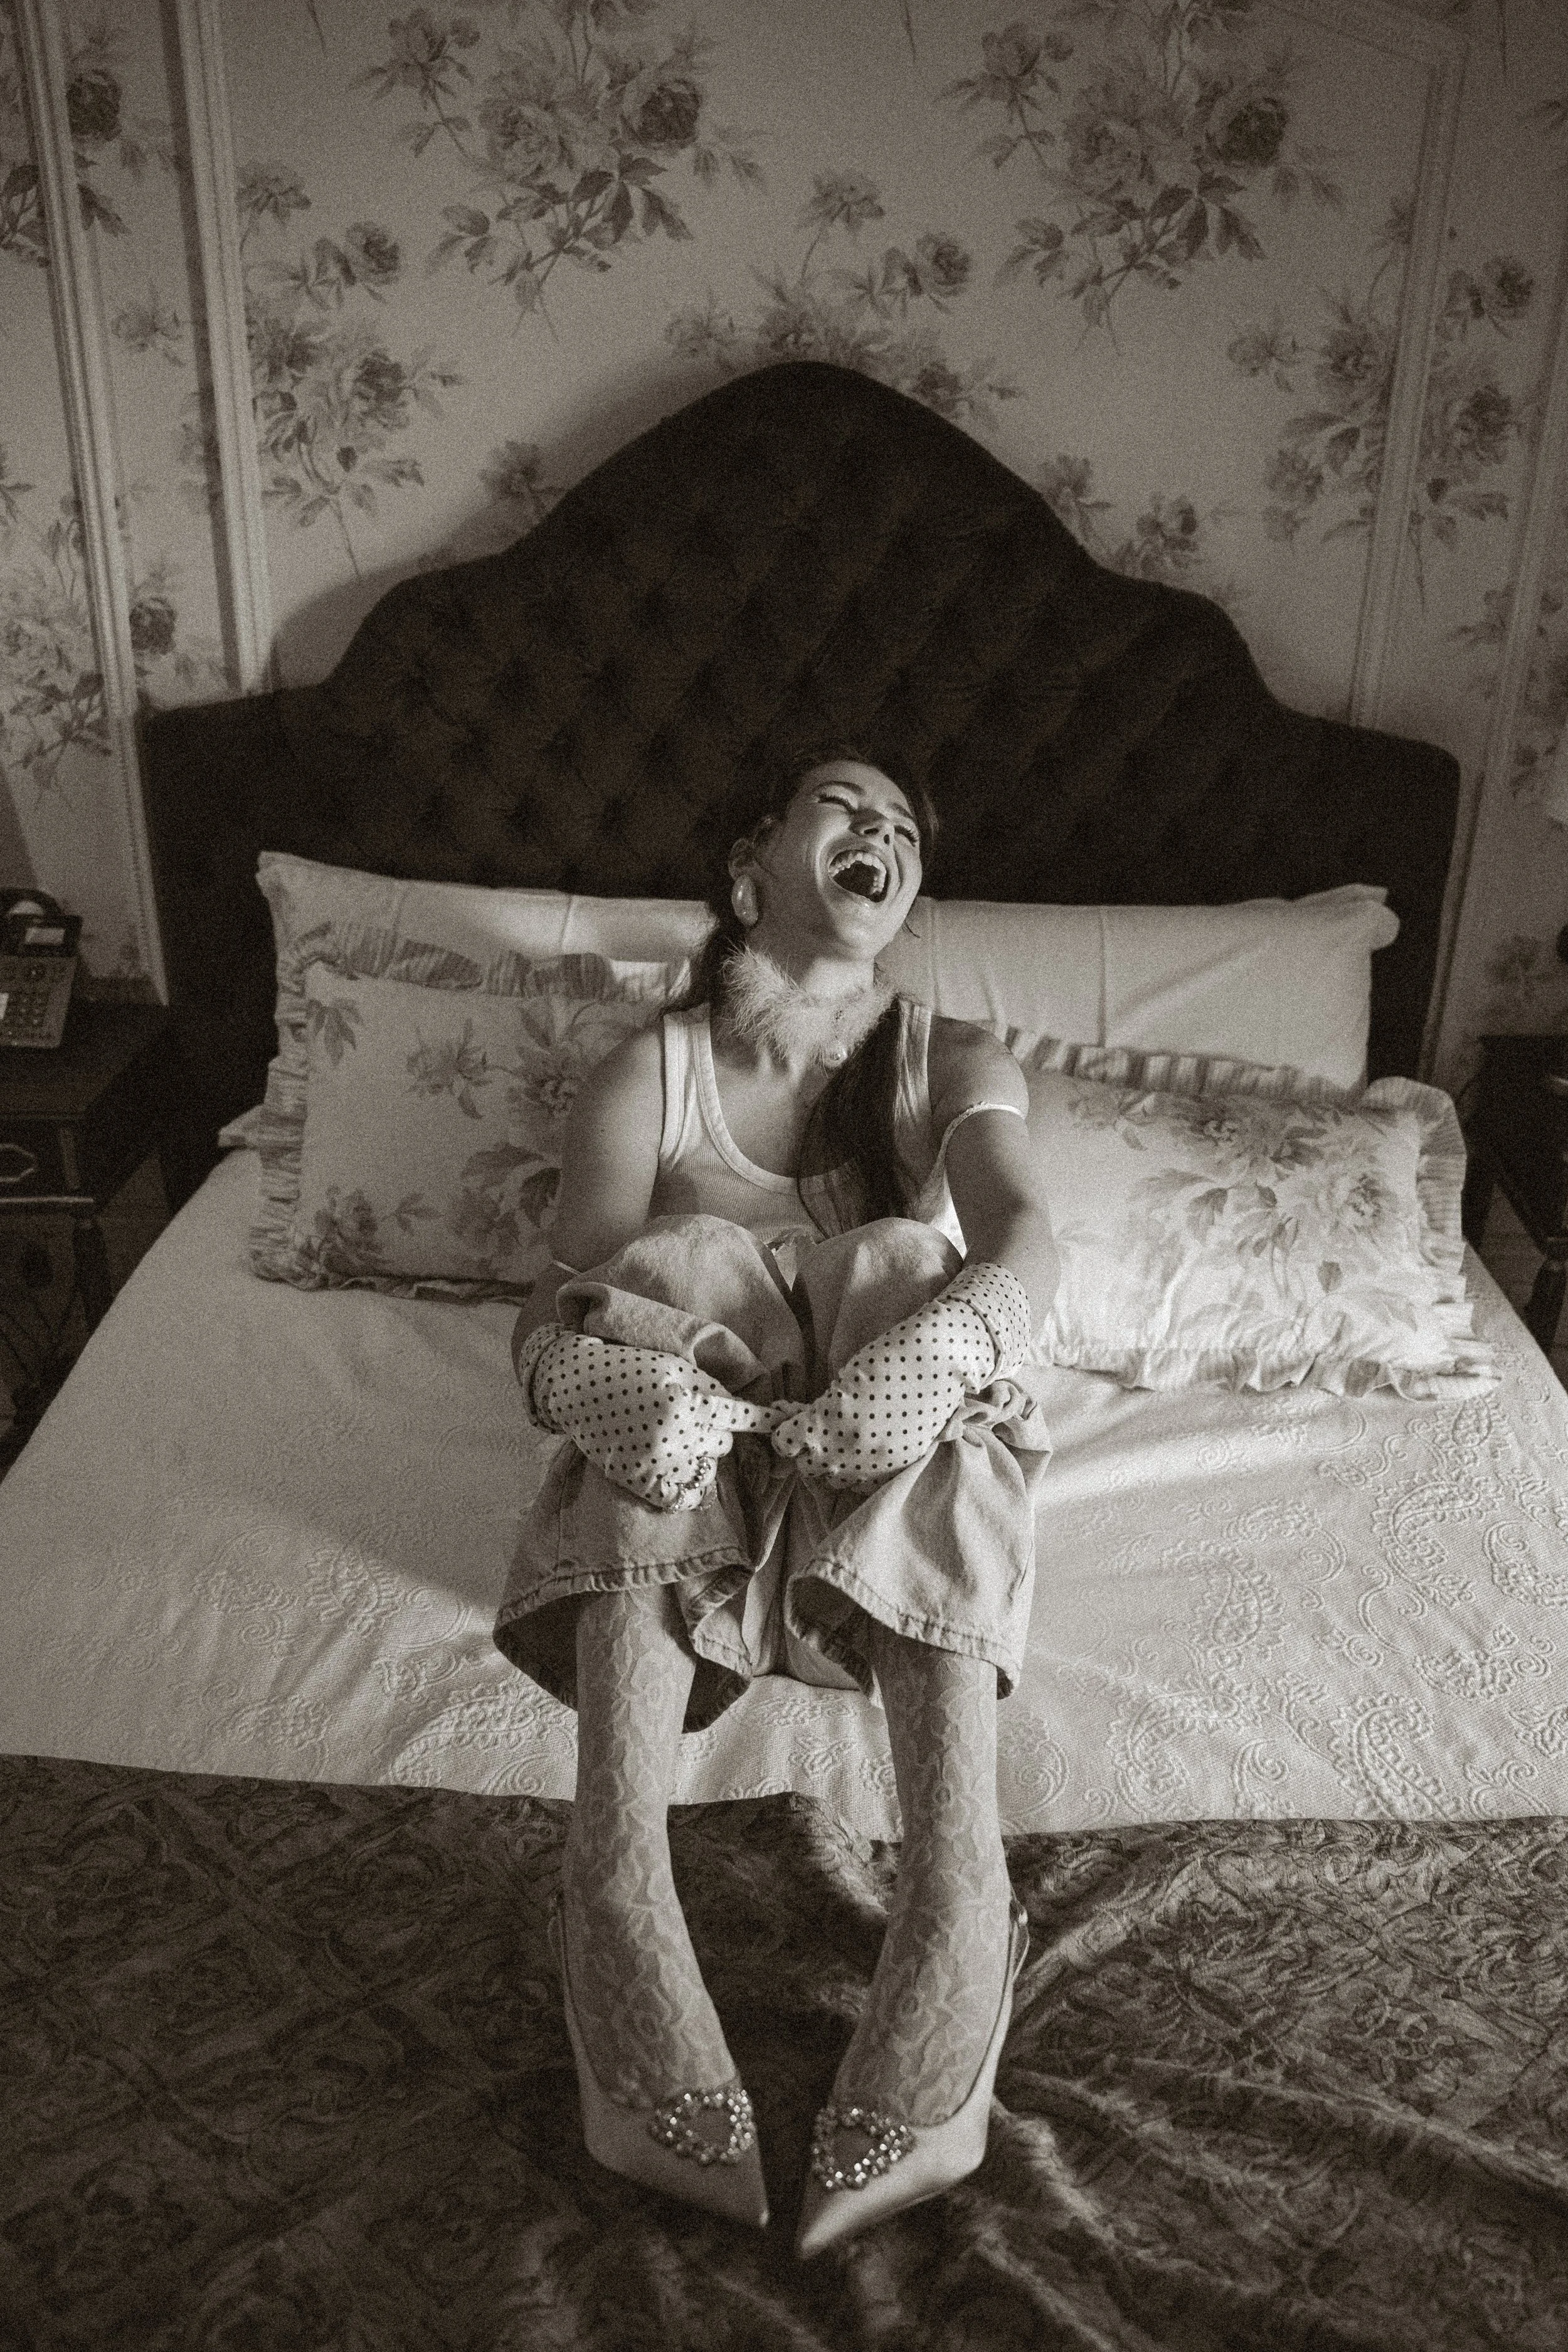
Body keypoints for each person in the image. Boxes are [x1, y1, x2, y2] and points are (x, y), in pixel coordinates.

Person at [494, 745, 1058, 2252]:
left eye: (902, 831)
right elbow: (553, 1307)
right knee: (670, 1267)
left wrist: (935, 1345)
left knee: (901, 1264)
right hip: (690, 1506)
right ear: (754, 861)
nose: (878, 833)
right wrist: (613, 1370)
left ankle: (953, 1892)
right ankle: (613, 1876)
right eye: (843, 806)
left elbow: (1027, 1244)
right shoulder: (649, 1067)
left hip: (866, 1520)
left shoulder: (951, 1058)